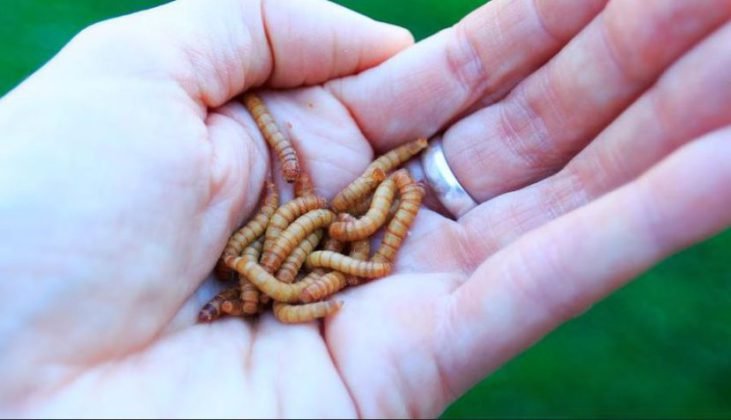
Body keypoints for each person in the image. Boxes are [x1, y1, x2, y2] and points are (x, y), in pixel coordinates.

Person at [0, 0, 729, 417]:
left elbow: (331, 241)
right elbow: (312, 256)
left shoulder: (306, 245)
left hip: (317, 250)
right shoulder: (284, 267)